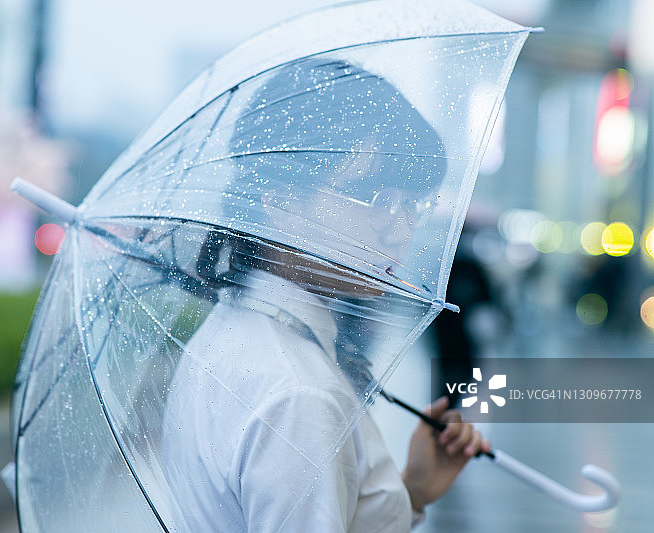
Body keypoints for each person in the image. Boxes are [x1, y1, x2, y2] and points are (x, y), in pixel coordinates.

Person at [161, 58, 488, 532]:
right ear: (280, 204)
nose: (401, 231)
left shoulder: (236, 331)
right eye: (378, 200)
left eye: (411, 203)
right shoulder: (298, 392)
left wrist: (411, 491)